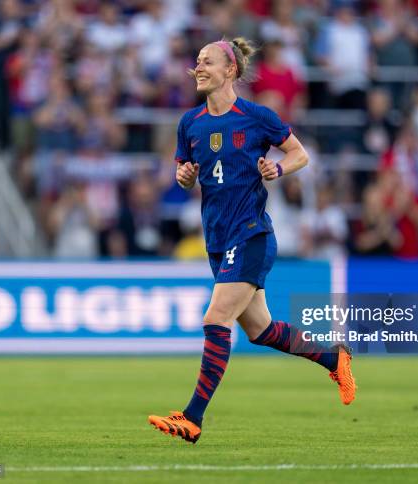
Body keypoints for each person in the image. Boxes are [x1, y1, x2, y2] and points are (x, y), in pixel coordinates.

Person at [148, 37, 356, 444]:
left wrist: (278, 168)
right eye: (197, 62)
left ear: (231, 71)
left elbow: (300, 154)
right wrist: (184, 177)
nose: (198, 68)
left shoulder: (256, 117)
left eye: (207, 62)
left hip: (251, 234)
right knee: (260, 330)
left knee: (215, 320)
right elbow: (183, 170)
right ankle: (335, 358)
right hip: (217, 240)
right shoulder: (190, 123)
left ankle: (192, 418)